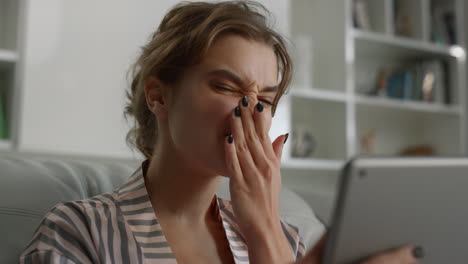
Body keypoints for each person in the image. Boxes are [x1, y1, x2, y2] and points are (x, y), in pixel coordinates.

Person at [20, 1, 422, 263]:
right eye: (227, 88)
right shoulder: (79, 232)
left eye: (265, 98)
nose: (250, 113)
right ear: (158, 97)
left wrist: (265, 227)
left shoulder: (287, 238)